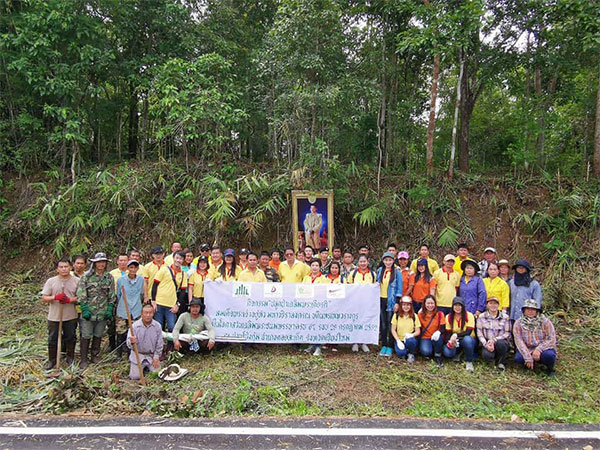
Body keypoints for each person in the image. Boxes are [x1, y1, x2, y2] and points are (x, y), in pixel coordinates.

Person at [77, 252, 116, 369]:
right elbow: (81, 294)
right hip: (89, 312)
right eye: (98, 262)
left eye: (103, 262)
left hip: (102, 312)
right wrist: (84, 309)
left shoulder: (109, 277)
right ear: (94, 263)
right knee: (86, 335)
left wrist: (110, 308)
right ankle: (84, 358)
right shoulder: (86, 277)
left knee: (98, 334)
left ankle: (95, 355)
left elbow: (111, 295)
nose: (101, 264)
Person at [41, 258, 79, 369]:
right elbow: (44, 297)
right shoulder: (51, 281)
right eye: (61, 267)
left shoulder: (76, 281)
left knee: (70, 337)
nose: (63, 269)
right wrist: (55, 297)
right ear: (57, 269)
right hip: (54, 316)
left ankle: (70, 357)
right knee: (53, 338)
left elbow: (81, 297)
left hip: (70, 315)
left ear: (70, 268)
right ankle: (52, 360)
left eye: (66, 266)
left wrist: (69, 300)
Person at [151, 251, 188, 354]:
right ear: (173, 258)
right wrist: (153, 301)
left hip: (171, 306)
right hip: (159, 303)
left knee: (172, 327)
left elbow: (182, 292)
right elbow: (155, 285)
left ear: (183, 260)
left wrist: (178, 305)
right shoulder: (164, 270)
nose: (178, 260)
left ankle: (170, 349)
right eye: (177, 258)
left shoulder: (183, 274)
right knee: (158, 327)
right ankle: (158, 351)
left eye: (180, 258)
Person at [513, 299, 557, 376]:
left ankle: (549, 369)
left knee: (549, 355)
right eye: (528, 309)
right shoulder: (518, 323)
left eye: (533, 309)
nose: (530, 311)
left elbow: (551, 338)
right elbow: (518, 340)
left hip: (543, 348)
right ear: (524, 310)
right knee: (519, 358)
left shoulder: (545, 322)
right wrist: (527, 356)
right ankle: (528, 365)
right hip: (527, 348)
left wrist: (539, 349)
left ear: (537, 311)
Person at [115, 260, 144, 360]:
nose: (133, 270)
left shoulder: (141, 280)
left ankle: (130, 354)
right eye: (131, 267)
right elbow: (118, 295)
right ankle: (119, 354)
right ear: (128, 268)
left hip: (136, 310)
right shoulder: (121, 280)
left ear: (137, 269)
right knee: (120, 332)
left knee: (133, 333)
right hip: (123, 309)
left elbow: (141, 294)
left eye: (135, 268)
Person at [345, 254, 375, 353]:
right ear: (358, 263)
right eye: (361, 262)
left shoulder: (372, 274)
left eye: (364, 261)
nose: (363, 263)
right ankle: (355, 342)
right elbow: (348, 288)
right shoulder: (353, 274)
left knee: (365, 321)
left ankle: (364, 342)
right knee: (355, 321)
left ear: (368, 262)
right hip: (355, 302)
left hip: (367, 302)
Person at [376, 252, 403, 357]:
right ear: (383, 261)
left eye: (390, 260)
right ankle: (384, 344)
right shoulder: (379, 271)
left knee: (391, 323)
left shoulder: (397, 272)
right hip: (381, 300)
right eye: (386, 260)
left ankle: (390, 346)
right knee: (383, 323)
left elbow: (399, 288)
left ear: (393, 261)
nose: (388, 262)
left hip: (391, 300)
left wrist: (397, 301)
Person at [127, 303, 163, 380]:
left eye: (150, 313)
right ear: (141, 314)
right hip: (138, 356)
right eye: (146, 313)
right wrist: (131, 341)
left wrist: (156, 357)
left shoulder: (157, 326)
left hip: (151, 356)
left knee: (157, 374)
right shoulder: (134, 326)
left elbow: (159, 344)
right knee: (135, 377)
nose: (148, 315)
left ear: (153, 313)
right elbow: (128, 344)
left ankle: (148, 367)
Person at [476, 296, 511, 370]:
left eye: (495, 303)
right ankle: (492, 360)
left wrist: (494, 340)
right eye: (490, 303)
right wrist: (486, 344)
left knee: (501, 344)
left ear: (498, 305)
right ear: (487, 305)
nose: (493, 305)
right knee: (487, 355)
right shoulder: (481, 317)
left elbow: (507, 333)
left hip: (500, 341)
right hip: (487, 341)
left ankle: (501, 362)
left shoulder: (505, 317)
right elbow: (479, 333)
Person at [443, 296, 476, 371]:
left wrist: (455, 335)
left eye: (460, 305)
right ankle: (458, 353)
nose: (457, 307)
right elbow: (448, 334)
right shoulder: (448, 317)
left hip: (468, 339)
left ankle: (469, 361)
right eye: (455, 305)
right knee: (447, 353)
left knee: (467, 340)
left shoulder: (469, 315)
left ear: (463, 306)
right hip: (455, 340)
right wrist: (450, 342)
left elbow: (468, 332)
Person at [417, 295, 445, 366]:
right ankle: (431, 350)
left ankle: (438, 354)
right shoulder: (420, 315)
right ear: (424, 304)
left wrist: (438, 332)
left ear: (435, 304)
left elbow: (443, 329)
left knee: (439, 339)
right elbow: (418, 328)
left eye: (432, 303)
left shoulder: (440, 314)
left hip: (436, 337)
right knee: (426, 352)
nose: (430, 305)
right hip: (425, 338)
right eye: (428, 303)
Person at [108, 253, 128, 351]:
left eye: (125, 260)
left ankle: (124, 344)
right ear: (117, 262)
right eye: (121, 260)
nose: (123, 262)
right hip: (115, 300)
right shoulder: (112, 273)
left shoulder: (131, 272)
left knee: (124, 323)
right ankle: (112, 345)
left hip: (127, 301)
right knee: (112, 323)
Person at [391, 296, 420, 362]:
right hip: (400, 339)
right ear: (401, 306)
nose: (406, 307)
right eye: (404, 305)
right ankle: (404, 351)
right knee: (401, 353)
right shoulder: (396, 315)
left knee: (411, 341)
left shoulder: (414, 316)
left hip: (409, 339)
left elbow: (418, 331)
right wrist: (398, 340)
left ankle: (411, 353)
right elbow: (393, 330)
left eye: (408, 305)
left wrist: (411, 335)